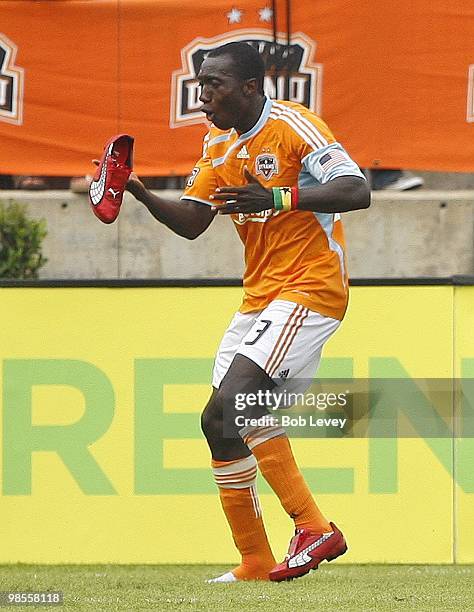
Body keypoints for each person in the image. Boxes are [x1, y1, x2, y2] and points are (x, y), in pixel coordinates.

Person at [123, 41, 370, 582]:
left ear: (251, 87)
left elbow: (357, 189)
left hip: (310, 289)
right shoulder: (217, 141)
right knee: (222, 423)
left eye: (214, 84)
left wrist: (279, 198)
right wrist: (139, 192)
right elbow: (193, 220)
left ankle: (313, 528)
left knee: (231, 408)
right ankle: (256, 560)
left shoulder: (295, 126)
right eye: (200, 84)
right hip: (260, 296)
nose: (202, 95)